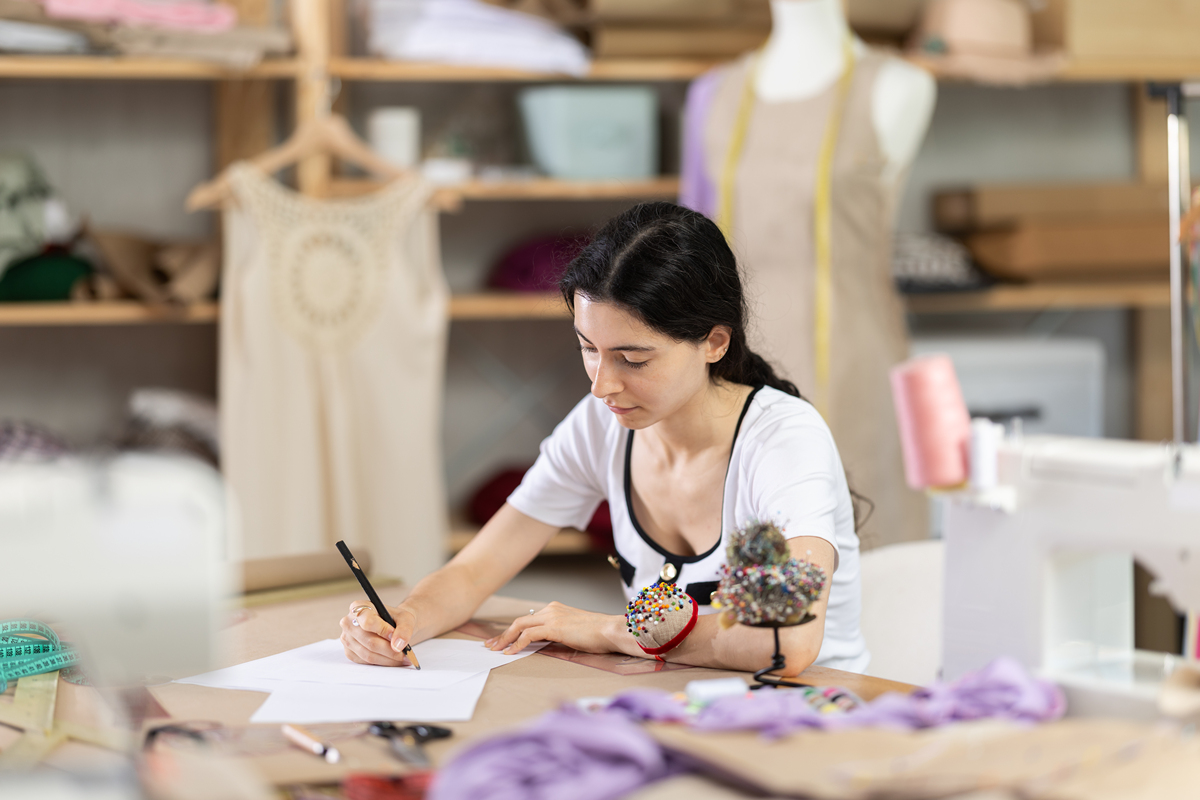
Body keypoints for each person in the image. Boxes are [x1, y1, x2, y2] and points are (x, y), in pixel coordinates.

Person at [339, 202, 870, 675]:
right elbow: (475, 570)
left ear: (714, 342)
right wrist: (403, 620)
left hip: (817, 716)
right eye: (588, 348)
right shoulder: (601, 425)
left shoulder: (783, 442)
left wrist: (613, 630)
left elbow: (789, 640)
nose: (601, 385)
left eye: (632, 359)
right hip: (680, 707)